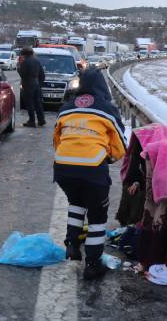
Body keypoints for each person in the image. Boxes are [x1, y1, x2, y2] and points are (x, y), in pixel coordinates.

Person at [52, 68, 126, 280]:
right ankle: (93, 264)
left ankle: (72, 245)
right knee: (97, 216)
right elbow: (120, 144)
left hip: (63, 167)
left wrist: (67, 156)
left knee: (76, 203)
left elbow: (56, 139)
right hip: (92, 168)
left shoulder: (66, 108)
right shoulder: (106, 109)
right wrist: (109, 157)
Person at [17, 47, 45, 127]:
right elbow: (42, 75)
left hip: (28, 85)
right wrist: (39, 84)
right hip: (36, 84)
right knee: (38, 103)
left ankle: (32, 121)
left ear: (24, 54)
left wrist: (19, 65)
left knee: (29, 103)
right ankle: (41, 120)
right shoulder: (37, 61)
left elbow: (22, 74)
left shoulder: (25, 62)